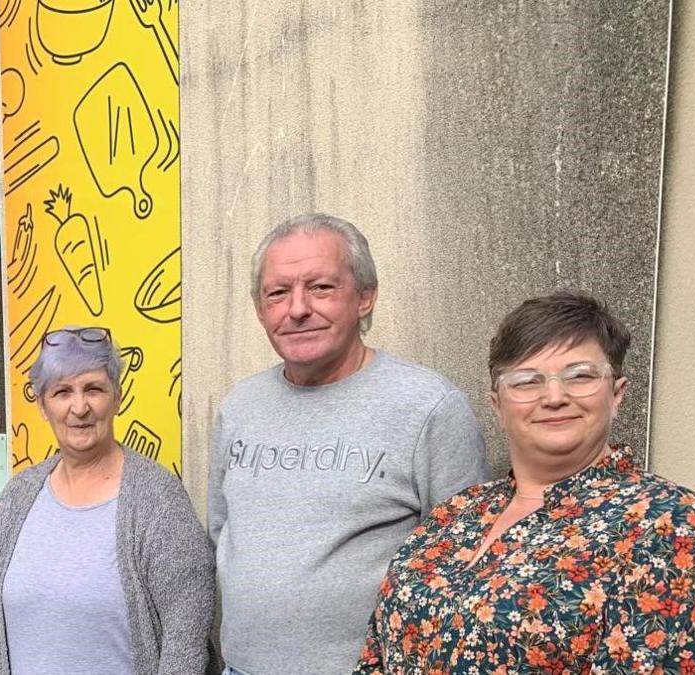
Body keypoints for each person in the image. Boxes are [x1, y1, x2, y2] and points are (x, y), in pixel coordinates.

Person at [355, 292, 695, 673]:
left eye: (580, 376)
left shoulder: (672, 527)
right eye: (527, 381)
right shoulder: (454, 515)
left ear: (617, 393)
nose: (554, 396)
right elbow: (376, 656)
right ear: (498, 405)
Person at [209, 213, 489, 674]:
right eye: (277, 292)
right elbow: (221, 535)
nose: (297, 308)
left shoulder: (429, 407)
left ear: (364, 296)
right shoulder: (240, 406)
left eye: (320, 287)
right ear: (260, 310)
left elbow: (464, 569)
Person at [0, 326, 215, 675]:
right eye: (62, 392)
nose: (79, 407)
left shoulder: (158, 498)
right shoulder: (17, 496)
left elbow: (186, 638)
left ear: (116, 397)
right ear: (42, 405)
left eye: (93, 389)